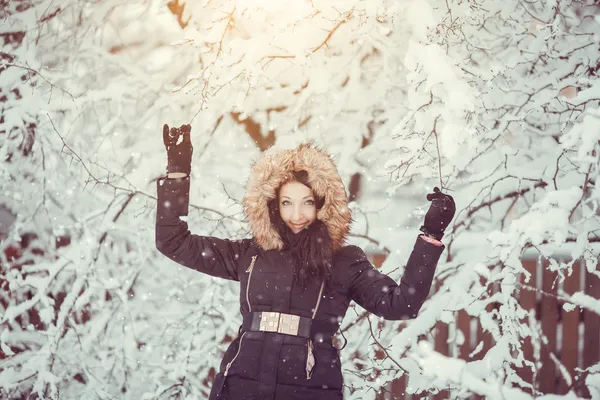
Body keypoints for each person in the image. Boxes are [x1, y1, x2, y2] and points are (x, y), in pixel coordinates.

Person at [156, 124, 456, 400]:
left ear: (324, 204)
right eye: (287, 203)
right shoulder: (250, 254)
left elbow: (401, 304)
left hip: (310, 388)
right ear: (272, 206)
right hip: (240, 384)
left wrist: (430, 235)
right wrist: (177, 174)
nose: (296, 215)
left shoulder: (343, 262)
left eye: (307, 203)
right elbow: (174, 242)